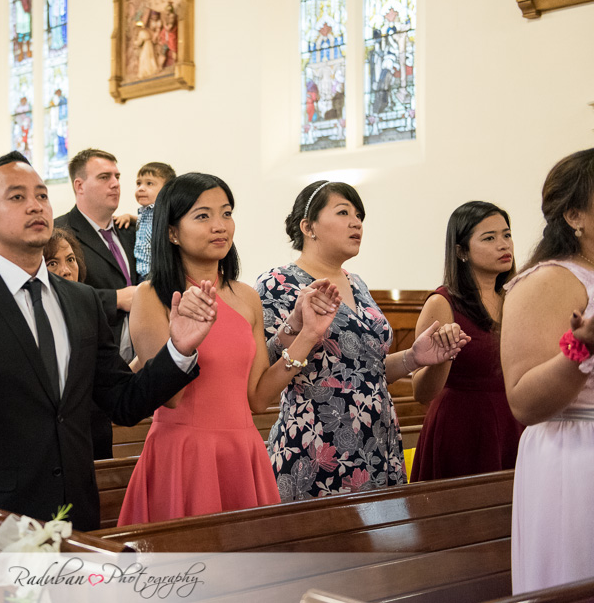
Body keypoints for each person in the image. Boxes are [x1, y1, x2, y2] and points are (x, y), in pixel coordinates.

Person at [0, 152, 214, 552]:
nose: (35, 205)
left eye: (42, 196)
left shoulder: (81, 301)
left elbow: (124, 402)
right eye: (16, 197)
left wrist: (179, 349)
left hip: (74, 520)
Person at [119, 174, 339, 525]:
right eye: (203, 216)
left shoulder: (246, 297)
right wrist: (184, 341)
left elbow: (255, 398)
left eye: (226, 213)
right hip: (185, 452)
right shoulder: (153, 295)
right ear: (172, 232)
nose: (220, 226)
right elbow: (168, 398)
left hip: (242, 449)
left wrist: (307, 335)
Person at [255, 180, 468, 501]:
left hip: (376, 436)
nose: (356, 223)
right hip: (318, 443)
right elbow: (265, 366)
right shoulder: (279, 282)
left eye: (359, 216)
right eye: (343, 212)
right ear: (308, 226)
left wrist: (413, 357)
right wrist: (295, 327)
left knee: (383, 546)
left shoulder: (357, 284)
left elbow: (366, 371)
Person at [502, 149, 594, 593]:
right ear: (575, 214)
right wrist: (583, 348)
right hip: (576, 454)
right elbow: (523, 401)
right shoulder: (549, 281)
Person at [410, 201, 523, 482]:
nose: (503, 244)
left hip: (514, 420)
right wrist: (445, 356)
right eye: (489, 238)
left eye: (506, 235)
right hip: (463, 427)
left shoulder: (516, 297)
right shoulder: (442, 302)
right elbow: (421, 392)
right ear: (461, 251)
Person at [55, 148, 139, 459]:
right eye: (104, 177)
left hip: (133, 361)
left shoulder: (128, 233)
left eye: (117, 176)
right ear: (79, 185)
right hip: (89, 367)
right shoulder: (59, 233)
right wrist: (116, 299)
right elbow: (56, 294)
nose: (115, 183)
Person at [133, 161, 177, 279]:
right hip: (141, 273)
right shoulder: (145, 212)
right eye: (138, 183)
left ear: (167, 190)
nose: (141, 188)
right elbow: (146, 222)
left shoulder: (164, 213)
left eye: (149, 183)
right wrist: (130, 218)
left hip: (157, 274)